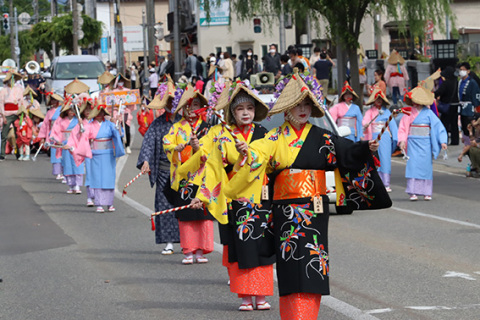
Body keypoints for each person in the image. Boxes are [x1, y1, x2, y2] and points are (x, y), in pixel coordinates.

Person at [224, 69, 391, 319]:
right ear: (287, 109)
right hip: (285, 210)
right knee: (291, 264)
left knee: (314, 265)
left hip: (315, 209)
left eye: (306, 104)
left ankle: (307, 316)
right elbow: (258, 153)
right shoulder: (275, 137)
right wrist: (247, 151)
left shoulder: (321, 137)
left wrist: (366, 147)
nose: (303, 109)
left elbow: (346, 152)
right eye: (297, 104)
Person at [185, 83, 274, 311]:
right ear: (232, 113)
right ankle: (245, 295)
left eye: (250, 108)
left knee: (263, 248)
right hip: (235, 200)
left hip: (261, 199)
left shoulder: (265, 135)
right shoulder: (224, 137)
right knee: (240, 248)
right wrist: (202, 196)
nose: (245, 113)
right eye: (240, 109)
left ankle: (262, 295)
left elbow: (274, 163)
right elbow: (214, 169)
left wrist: (252, 153)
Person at [162, 85, 214, 265]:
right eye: (189, 106)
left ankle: (201, 249)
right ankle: (188, 250)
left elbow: (212, 150)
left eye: (196, 105)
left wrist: (199, 147)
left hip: (202, 175)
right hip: (184, 175)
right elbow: (166, 143)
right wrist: (174, 148)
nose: (192, 109)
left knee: (203, 215)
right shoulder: (176, 128)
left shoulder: (208, 128)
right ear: (183, 108)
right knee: (185, 215)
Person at [137, 80, 181, 255]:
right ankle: (169, 241)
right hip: (164, 170)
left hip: (183, 171)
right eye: (167, 102)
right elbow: (148, 143)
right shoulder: (157, 124)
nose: (171, 105)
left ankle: (188, 242)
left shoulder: (183, 122)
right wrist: (146, 160)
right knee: (164, 206)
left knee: (183, 206)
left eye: (173, 101)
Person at [67, 99, 125, 212]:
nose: (100, 114)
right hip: (95, 154)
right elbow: (84, 137)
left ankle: (109, 203)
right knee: (97, 178)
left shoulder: (109, 124)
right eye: (98, 112)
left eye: (102, 112)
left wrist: (117, 124)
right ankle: (99, 203)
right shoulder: (89, 125)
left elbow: (118, 134)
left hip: (108, 154)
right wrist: (81, 128)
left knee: (108, 178)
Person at [398, 86, 448, 201]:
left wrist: (443, 141)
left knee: (426, 167)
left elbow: (438, 127)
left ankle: (426, 192)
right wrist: (402, 141)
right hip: (412, 143)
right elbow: (403, 128)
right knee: (413, 166)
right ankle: (413, 191)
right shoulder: (408, 112)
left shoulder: (429, 113)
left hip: (425, 143)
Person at [49, 82, 88, 195]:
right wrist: (58, 140)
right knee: (67, 165)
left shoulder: (79, 120)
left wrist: (81, 125)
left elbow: (84, 131)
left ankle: (77, 185)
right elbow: (55, 131)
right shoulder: (60, 120)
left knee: (77, 164)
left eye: (73, 110)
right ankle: (71, 185)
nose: (71, 112)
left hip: (76, 144)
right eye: (69, 110)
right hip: (65, 144)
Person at [362, 89, 398, 192]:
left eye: (380, 99)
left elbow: (393, 126)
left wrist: (395, 138)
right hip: (373, 136)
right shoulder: (370, 112)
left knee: (385, 159)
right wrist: (365, 124)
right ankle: (375, 182)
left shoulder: (387, 112)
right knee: (374, 159)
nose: (378, 101)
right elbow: (365, 121)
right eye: (376, 99)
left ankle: (386, 183)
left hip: (385, 136)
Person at [38, 93, 65, 180]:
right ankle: (58, 172)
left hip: (61, 133)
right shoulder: (49, 112)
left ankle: (65, 171)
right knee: (55, 153)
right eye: (52, 100)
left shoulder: (63, 110)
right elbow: (45, 125)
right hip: (52, 134)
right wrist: (43, 137)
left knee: (64, 153)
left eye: (55, 100)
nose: (53, 102)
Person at [0, 71, 24, 161]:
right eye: (10, 79)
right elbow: (1, 103)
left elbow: (21, 101)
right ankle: (2, 154)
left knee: (18, 134)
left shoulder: (19, 89)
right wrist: (3, 115)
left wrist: (22, 113)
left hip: (16, 113)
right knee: (4, 134)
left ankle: (18, 153)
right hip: (7, 113)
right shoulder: (3, 90)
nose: (12, 81)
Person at [435, 66, 459, 145]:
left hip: (446, 106)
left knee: (444, 123)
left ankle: (444, 140)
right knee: (454, 124)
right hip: (455, 105)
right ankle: (455, 140)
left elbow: (439, 92)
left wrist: (433, 94)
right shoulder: (456, 82)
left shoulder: (446, 83)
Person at [458, 62, 480, 146]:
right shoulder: (460, 82)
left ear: (468, 71)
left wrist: (475, 106)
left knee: (470, 126)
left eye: (463, 70)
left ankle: (472, 144)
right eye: (460, 70)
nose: (461, 71)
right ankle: (467, 145)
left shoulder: (472, 82)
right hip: (462, 106)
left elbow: (475, 94)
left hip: (470, 106)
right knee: (463, 126)